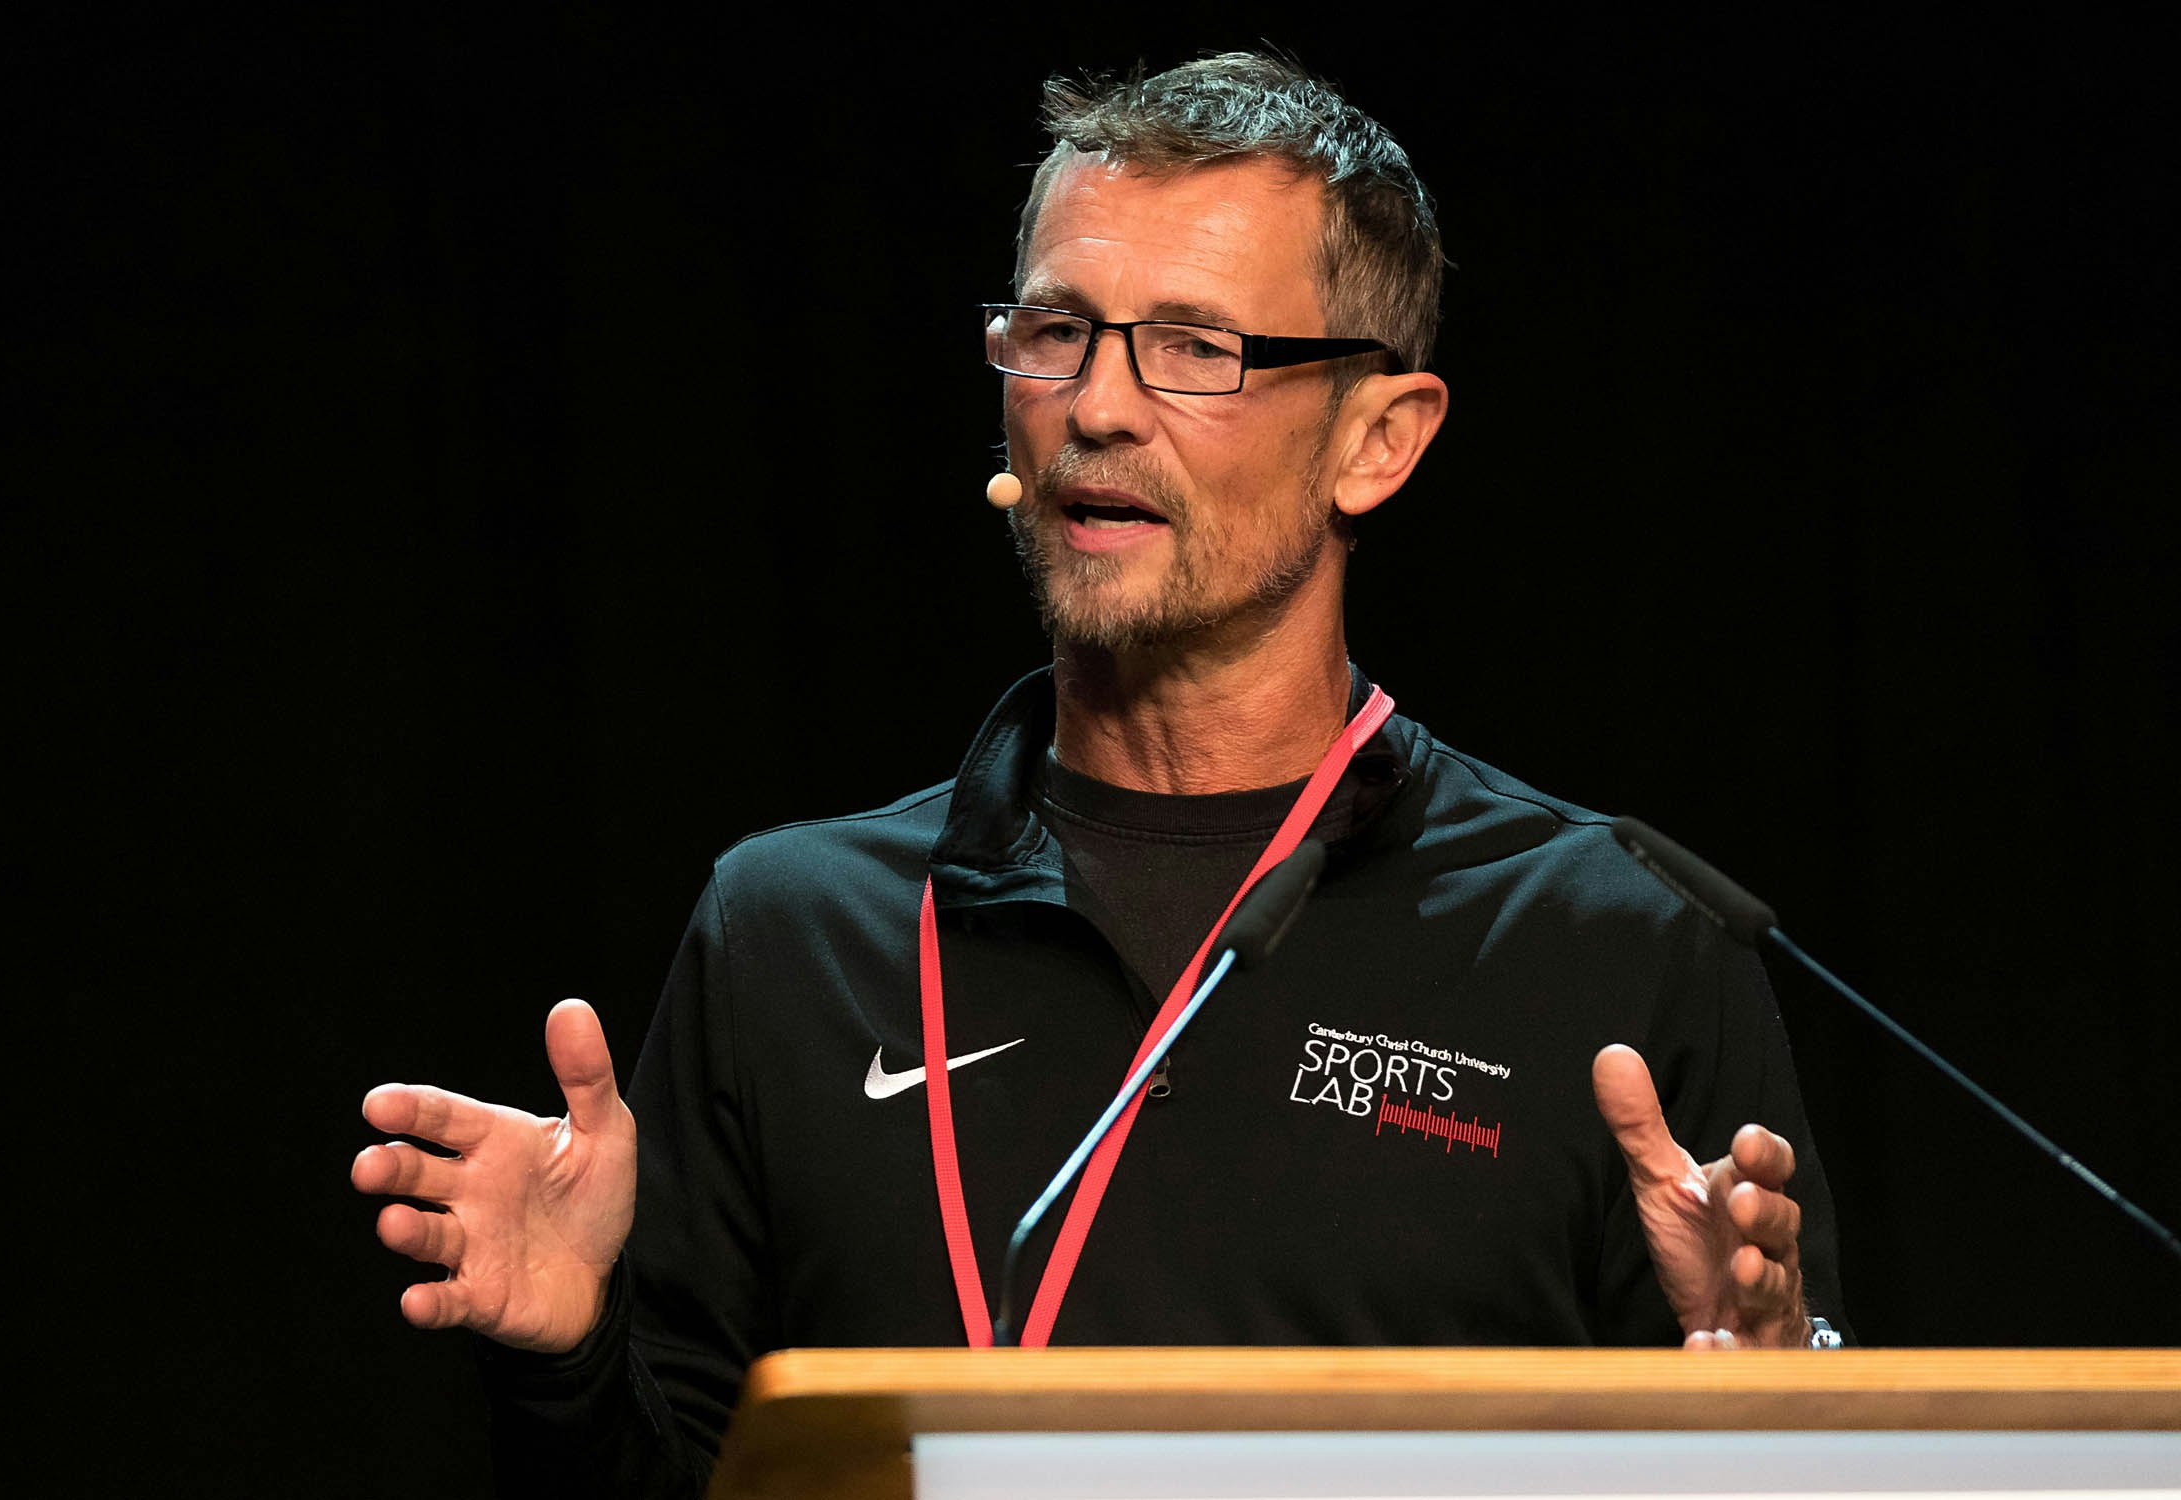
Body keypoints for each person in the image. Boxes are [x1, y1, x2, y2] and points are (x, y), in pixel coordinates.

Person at [351, 52, 1847, 1497]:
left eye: (1195, 348)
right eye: (1056, 331)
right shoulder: (788, 938)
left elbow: (1794, 1463)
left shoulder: (1612, 947)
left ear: (1377, 441)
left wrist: (1778, 1409)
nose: (1099, 406)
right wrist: (566, 1355)